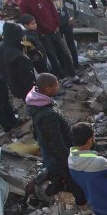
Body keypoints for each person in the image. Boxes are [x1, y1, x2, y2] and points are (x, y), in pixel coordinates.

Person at [26, 73, 87, 204]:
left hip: (54, 153)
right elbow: (55, 142)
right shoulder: (48, 115)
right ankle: (82, 201)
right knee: (72, 177)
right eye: (56, 85)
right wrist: (69, 159)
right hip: (59, 156)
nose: (58, 87)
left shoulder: (39, 102)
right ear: (48, 89)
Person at [18, 0, 77, 81]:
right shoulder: (24, 2)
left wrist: (57, 24)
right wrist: (39, 31)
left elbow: (52, 9)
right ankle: (62, 78)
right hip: (43, 33)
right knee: (52, 56)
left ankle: (73, 74)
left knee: (65, 52)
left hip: (55, 29)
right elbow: (26, 19)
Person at [42, 0, 81, 79]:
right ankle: (64, 69)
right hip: (55, 27)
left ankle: (76, 66)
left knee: (71, 46)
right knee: (59, 49)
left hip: (66, 24)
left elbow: (76, 2)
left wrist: (75, 18)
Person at [0, 21, 37, 103]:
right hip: (26, 89)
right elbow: (27, 78)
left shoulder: (0, 47)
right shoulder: (18, 56)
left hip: (13, 85)